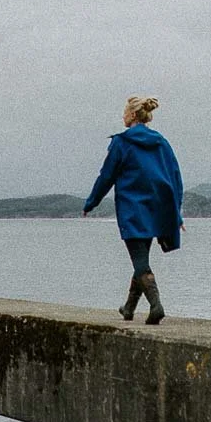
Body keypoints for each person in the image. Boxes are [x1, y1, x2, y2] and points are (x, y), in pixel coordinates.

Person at [82, 94, 183, 324]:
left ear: (133, 114)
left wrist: (91, 202)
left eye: (125, 112)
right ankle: (128, 308)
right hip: (156, 210)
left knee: (140, 262)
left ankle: (156, 306)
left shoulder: (122, 142)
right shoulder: (161, 142)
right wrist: (176, 211)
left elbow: (106, 176)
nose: (122, 115)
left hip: (133, 211)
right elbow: (175, 176)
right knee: (141, 259)